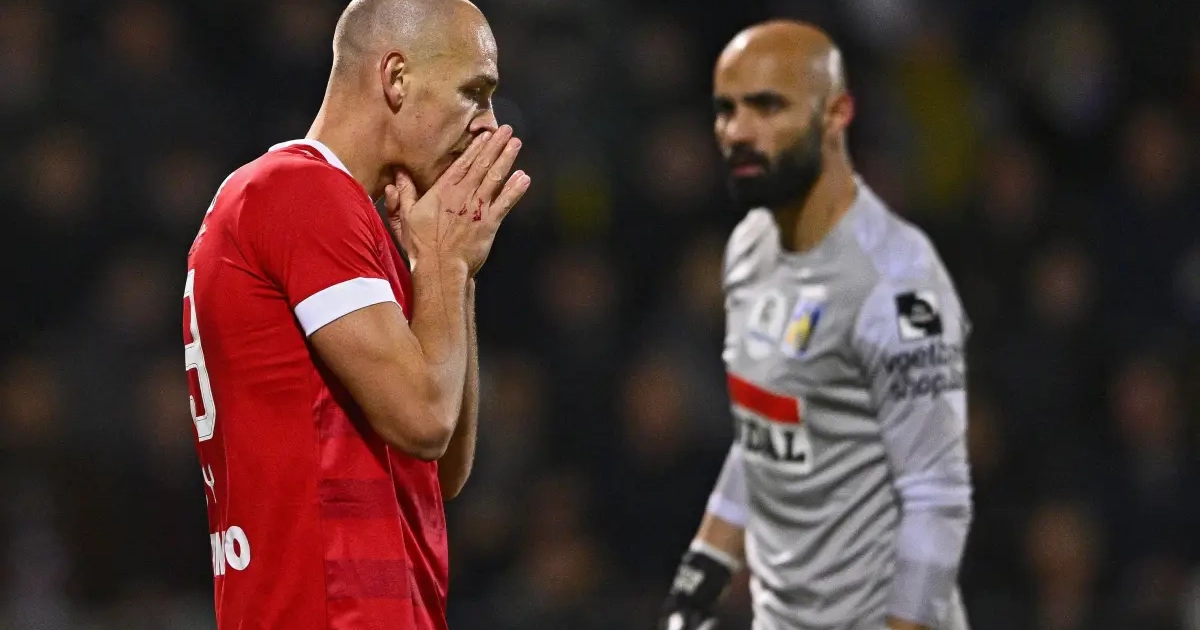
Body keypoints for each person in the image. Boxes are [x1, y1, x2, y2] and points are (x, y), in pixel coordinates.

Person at [181, 0, 530, 628]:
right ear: (396, 77)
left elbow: (442, 467)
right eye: (474, 93)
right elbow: (425, 420)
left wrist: (446, 269)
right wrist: (445, 263)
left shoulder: (349, 223)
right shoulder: (299, 192)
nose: (490, 124)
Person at [657, 20, 973, 630]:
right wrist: (699, 580)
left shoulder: (897, 279)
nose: (737, 131)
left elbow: (936, 498)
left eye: (767, 106)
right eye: (726, 110)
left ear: (836, 114)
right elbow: (765, 429)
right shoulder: (748, 248)